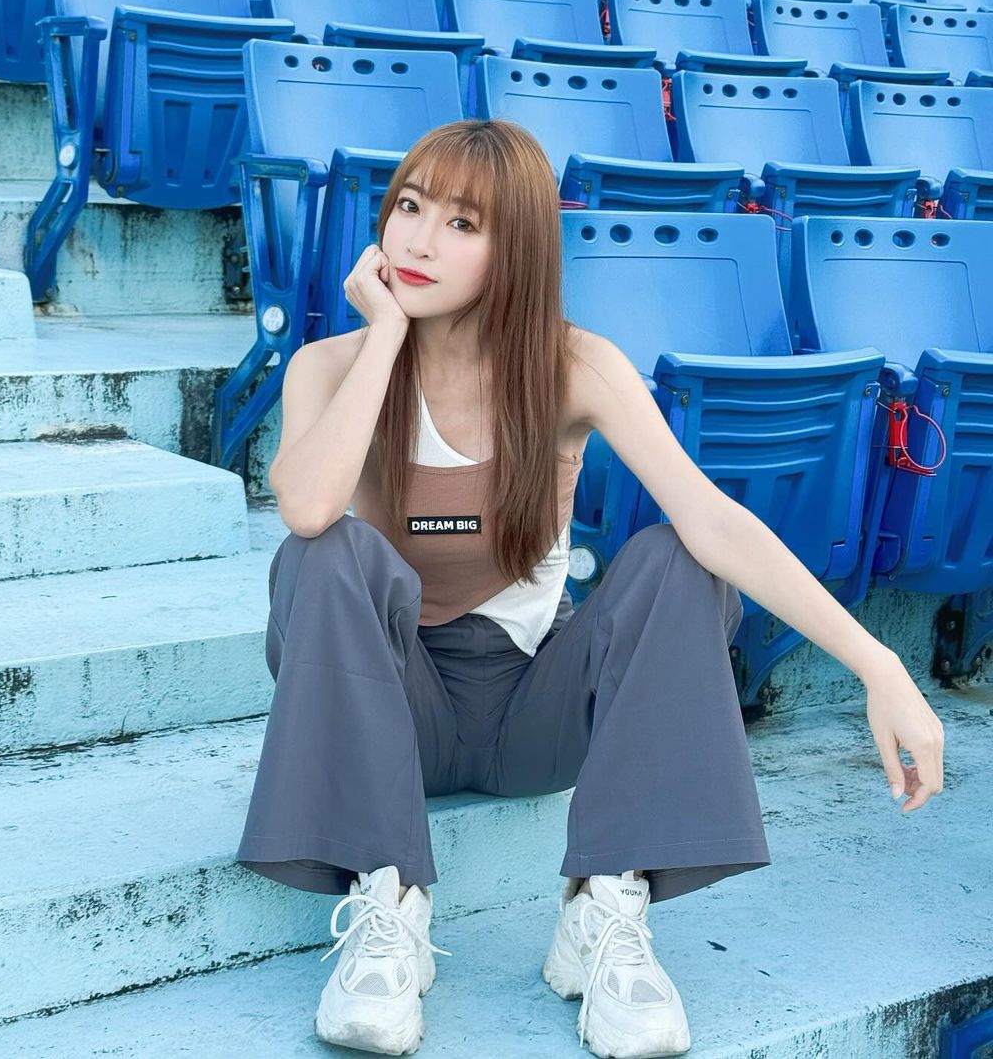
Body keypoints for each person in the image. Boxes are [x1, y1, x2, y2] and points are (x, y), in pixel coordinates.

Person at [236, 119, 945, 1059]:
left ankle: (605, 905)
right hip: (391, 708)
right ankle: (388, 903)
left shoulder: (573, 367)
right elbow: (307, 506)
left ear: (517, 248)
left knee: (677, 559)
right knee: (323, 554)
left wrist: (879, 665)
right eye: (409, 207)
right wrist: (385, 340)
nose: (419, 241)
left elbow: (714, 522)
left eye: (462, 223)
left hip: (536, 705)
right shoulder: (328, 369)